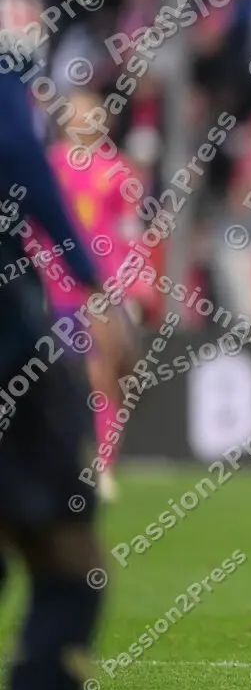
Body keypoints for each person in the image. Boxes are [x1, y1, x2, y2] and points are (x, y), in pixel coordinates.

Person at [0, 0, 139, 690]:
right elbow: (15, 143)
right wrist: (95, 286)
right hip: (17, 309)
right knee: (68, 564)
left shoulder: (113, 172)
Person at [44, 93, 146, 503]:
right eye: (79, 110)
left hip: (103, 290)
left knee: (104, 377)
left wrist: (134, 289)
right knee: (58, 380)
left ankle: (103, 465)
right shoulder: (49, 165)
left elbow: (132, 235)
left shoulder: (119, 171)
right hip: (55, 287)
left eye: (94, 111)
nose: (87, 118)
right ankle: (61, 462)